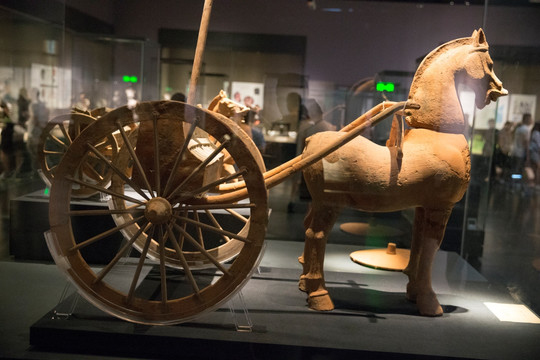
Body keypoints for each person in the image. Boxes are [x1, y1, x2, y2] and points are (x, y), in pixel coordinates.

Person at [510, 113, 533, 189]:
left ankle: (513, 183)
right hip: (520, 153)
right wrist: (528, 156)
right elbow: (526, 144)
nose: (531, 120)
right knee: (518, 170)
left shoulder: (519, 128)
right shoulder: (526, 129)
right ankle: (516, 185)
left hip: (515, 151)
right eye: (530, 118)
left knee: (515, 169)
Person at [528, 122, 540, 187]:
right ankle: (536, 183)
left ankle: (534, 183)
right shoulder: (536, 133)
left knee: (535, 169)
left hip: (533, 153)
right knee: (537, 169)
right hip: (535, 153)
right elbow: (539, 145)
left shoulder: (533, 132)